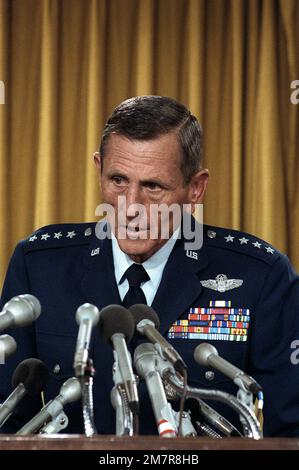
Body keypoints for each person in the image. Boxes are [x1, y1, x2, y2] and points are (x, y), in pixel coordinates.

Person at [0, 95, 299, 436]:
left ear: (196, 188)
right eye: (118, 181)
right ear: (99, 170)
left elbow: (287, 430)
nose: (131, 207)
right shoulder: (39, 266)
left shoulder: (260, 276)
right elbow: (9, 418)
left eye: (153, 186)